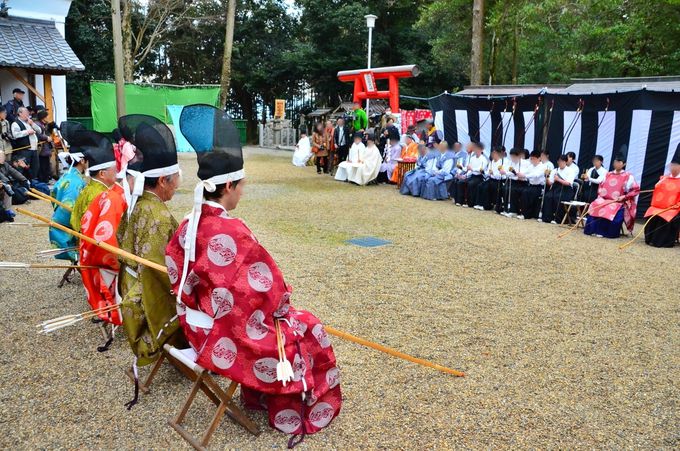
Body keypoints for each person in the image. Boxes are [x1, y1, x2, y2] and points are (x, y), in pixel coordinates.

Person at [167, 104, 340, 443]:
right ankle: (293, 400)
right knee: (307, 327)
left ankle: (256, 393)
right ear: (228, 186)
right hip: (222, 334)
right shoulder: (232, 232)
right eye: (242, 185)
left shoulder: (189, 224)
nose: (243, 191)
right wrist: (281, 307)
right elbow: (269, 292)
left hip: (194, 323)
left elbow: (180, 274)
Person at [116, 114, 184, 407]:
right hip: (146, 303)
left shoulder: (139, 206)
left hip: (128, 291)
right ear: (162, 181)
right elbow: (163, 273)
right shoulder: (157, 216)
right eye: (176, 179)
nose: (178, 185)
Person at [79, 136, 140, 338]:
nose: (119, 173)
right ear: (104, 173)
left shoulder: (107, 192)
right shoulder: (111, 197)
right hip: (101, 257)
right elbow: (108, 241)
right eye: (115, 170)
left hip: (88, 250)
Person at [48, 123, 88, 261]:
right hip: (65, 228)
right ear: (82, 161)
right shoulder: (76, 182)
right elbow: (70, 212)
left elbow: (54, 197)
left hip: (57, 221)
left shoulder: (67, 176)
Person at [584, 145, 639, 238]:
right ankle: (592, 230)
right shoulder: (608, 174)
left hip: (618, 201)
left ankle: (605, 232)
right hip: (604, 199)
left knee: (610, 208)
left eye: (619, 162)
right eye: (615, 161)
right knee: (595, 204)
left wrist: (624, 197)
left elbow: (635, 190)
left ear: (624, 164)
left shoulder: (628, 176)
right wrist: (600, 197)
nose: (616, 163)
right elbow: (601, 187)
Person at [69, 137, 117, 232]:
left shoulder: (90, 188)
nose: (117, 173)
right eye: (115, 170)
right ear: (102, 174)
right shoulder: (99, 195)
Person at [643, 145, 680, 247]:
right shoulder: (664, 178)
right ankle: (649, 239)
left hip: (673, 208)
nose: (673, 167)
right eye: (672, 165)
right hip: (658, 206)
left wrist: (676, 206)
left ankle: (662, 242)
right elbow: (657, 188)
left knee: (665, 217)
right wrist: (662, 181)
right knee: (651, 213)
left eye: (676, 165)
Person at [541, 155, 576, 224]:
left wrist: (558, 179)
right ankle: (547, 218)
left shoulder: (570, 171)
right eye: (559, 161)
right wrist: (546, 177)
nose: (560, 163)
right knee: (548, 196)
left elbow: (569, 183)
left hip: (565, 190)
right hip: (555, 188)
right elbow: (550, 183)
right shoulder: (555, 170)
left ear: (565, 162)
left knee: (558, 197)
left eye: (562, 161)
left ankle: (558, 219)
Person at [10, 106, 41, 180]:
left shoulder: (29, 122)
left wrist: (33, 124)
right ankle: (24, 184)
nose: (28, 114)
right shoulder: (15, 123)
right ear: (20, 114)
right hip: (24, 149)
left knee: (35, 167)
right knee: (23, 168)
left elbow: (39, 131)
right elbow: (15, 134)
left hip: (34, 149)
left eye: (28, 112)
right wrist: (27, 132)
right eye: (26, 112)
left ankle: (33, 183)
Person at [455, 142, 488, 208]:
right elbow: (467, 168)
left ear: (481, 150)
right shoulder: (472, 158)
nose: (476, 151)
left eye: (478, 149)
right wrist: (461, 167)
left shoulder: (484, 159)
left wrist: (472, 169)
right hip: (472, 176)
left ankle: (470, 203)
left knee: (470, 184)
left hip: (479, 177)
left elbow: (481, 170)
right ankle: (460, 201)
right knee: (460, 182)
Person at [517, 150, 547, 220]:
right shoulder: (531, 166)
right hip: (531, 185)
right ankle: (525, 213)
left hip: (539, 187)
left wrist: (524, 176)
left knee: (527, 193)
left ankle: (528, 214)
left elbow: (536, 175)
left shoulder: (543, 167)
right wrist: (519, 173)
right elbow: (525, 172)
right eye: (531, 158)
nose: (532, 160)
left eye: (534, 159)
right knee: (524, 192)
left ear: (539, 158)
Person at [0, 150, 26, 221]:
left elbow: (14, 172)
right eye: (0, 157)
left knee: (8, 188)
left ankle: (7, 210)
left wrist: (24, 179)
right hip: (5, 182)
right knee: (8, 187)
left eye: (3, 156)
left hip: (5, 183)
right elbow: (2, 176)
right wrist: (7, 182)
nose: (2, 158)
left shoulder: (5, 164)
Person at [477, 146, 505, 211]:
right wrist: (483, 171)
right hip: (491, 179)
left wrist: (493, 173)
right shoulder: (491, 162)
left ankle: (487, 206)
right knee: (480, 185)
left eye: (495, 153)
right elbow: (488, 173)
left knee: (487, 187)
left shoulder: (501, 162)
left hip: (498, 181)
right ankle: (480, 203)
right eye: (493, 153)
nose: (493, 155)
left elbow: (502, 176)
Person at [378, 117, 402, 183]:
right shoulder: (389, 144)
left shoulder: (397, 147)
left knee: (387, 167)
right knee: (382, 166)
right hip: (387, 161)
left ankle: (387, 179)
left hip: (394, 163)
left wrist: (388, 160)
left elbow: (395, 158)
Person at [33, 110, 54, 183]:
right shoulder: (37, 124)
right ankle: (43, 180)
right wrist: (46, 138)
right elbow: (38, 134)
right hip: (41, 148)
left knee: (47, 165)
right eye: (46, 116)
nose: (48, 118)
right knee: (42, 165)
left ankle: (46, 179)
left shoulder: (45, 124)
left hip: (46, 147)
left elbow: (48, 132)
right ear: (43, 117)